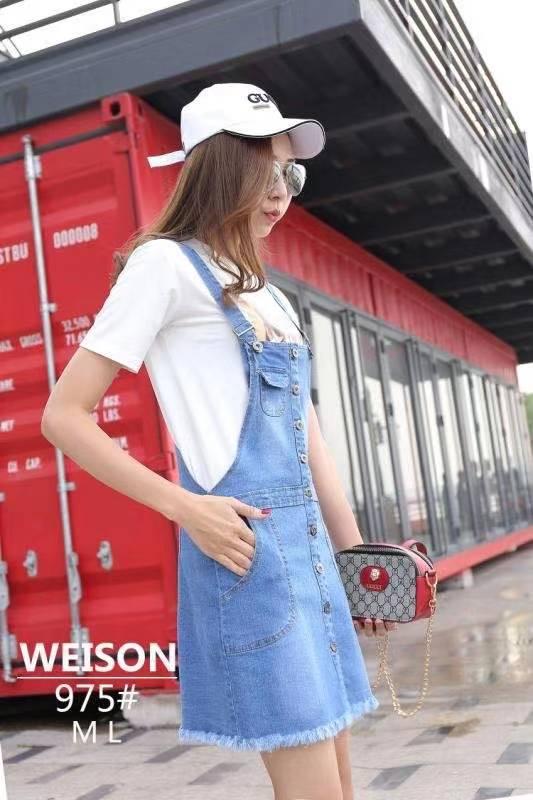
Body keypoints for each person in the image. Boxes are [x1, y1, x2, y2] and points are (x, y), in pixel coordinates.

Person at [41, 82, 397, 800]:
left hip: (310, 558)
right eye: (263, 172)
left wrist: (357, 556)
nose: (280, 192)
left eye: (290, 175)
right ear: (215, 168)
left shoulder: (270, 292)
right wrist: (185, 508)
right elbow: (64, 416)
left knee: (341, 790)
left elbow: (311, 441)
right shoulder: (165, 266)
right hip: (248, 554)